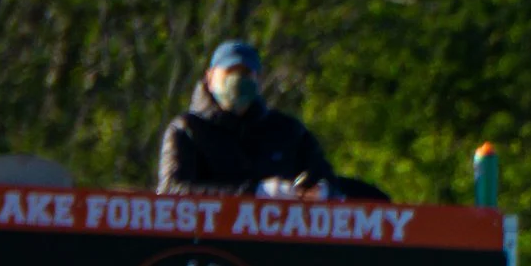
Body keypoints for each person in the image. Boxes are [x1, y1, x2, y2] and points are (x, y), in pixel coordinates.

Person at [156, 41, 387, 200]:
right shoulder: (186, 130)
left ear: (258, 79)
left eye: (246, 74)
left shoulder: (286, 131)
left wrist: (320, 190)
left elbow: (323, 175)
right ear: (210, 77)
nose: (238, 81)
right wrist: (254, 193)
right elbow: (172, 190)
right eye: (230, 73)